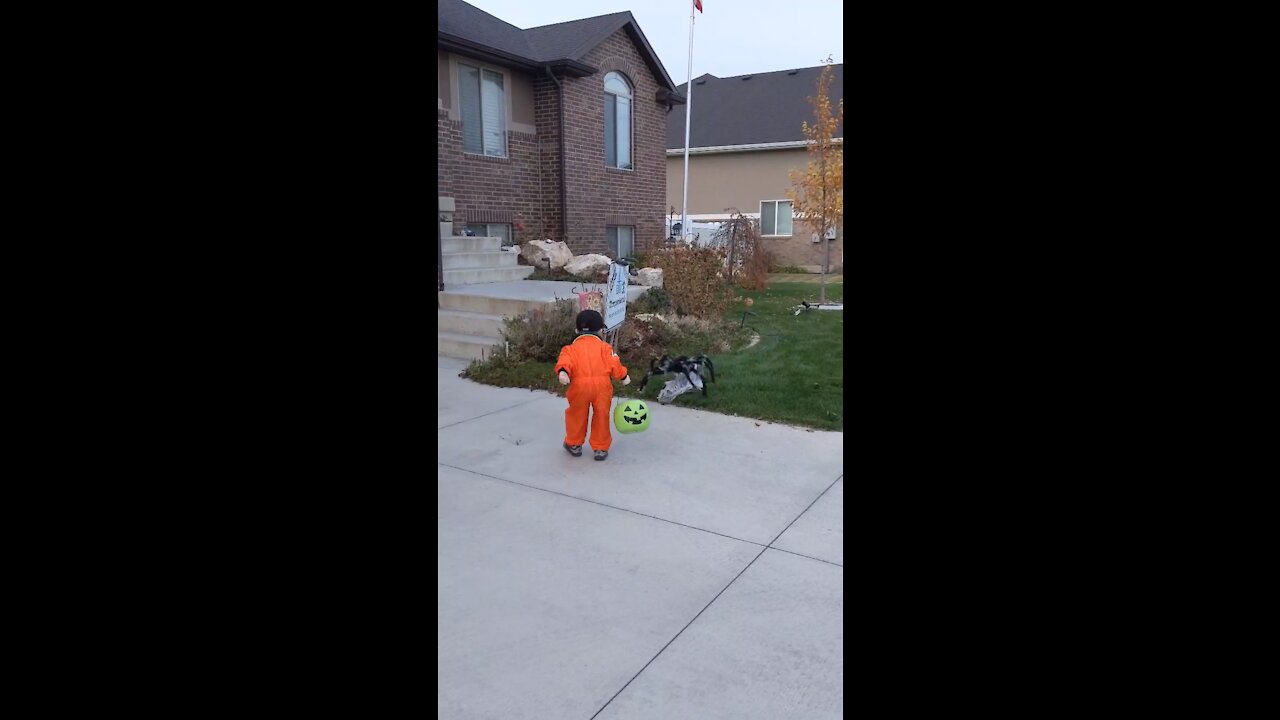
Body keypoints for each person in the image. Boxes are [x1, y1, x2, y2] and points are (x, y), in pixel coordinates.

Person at [555, 310, 630, 461]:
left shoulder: (570, 349)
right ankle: (600, 448)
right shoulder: (605, 348)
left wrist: (563, 372)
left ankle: (574, 444)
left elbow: (565, 362)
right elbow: (614, 363)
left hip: (579, 387)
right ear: (601, 330)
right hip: (602, 387)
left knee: (577, 414)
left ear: (576, 330)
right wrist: (623, 376)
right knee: (601, 415)